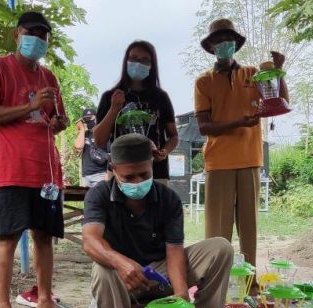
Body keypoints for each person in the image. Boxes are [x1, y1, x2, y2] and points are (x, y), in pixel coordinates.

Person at [82, 134, 233, 308]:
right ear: (114, 169)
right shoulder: (99, 195)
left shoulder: (168, 198)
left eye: (144, 174)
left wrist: (181, 291)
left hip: (162, 275)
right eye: (128, 177)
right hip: (121, 281)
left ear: (152, 164)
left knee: (221, 248)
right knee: (103, 269)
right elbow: (90, 240)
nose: (137, 182)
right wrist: (121, 262)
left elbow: (174, 250)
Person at [0, 11, 78, 308]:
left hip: (46, 171)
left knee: (44, 237)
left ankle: (45, 300)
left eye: (43, 36)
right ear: (17, 34)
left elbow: (53, 122)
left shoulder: (49, 78)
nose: (38, 40)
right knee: (7, 237)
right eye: (32, 33)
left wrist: (59, 123)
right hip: (10, 169)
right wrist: (30, 107)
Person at [194, 18, 288, 270]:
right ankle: (214, 283)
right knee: (217, 233)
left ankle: (250, 284)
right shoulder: (204, 81)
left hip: (250, 161)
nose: (225, 43)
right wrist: (238, 123)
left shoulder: (253, 75)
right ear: (211, 46)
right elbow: (203, 126)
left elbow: (278, 104)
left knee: (249, 229)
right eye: (219, 40)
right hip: (219, 163)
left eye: (229, 39)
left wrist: (278, 71)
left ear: (236, 44)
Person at [93, 41, 178, 185]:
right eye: (133, 58)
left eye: (145, 60)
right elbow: (99, 140)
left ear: (152, 65)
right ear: (126, 61)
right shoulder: (110, 96)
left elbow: (173, 136)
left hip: (155, 174)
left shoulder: (161, 97)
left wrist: (163, 153)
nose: (138, 63)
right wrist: (114, 109)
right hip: (121, 173)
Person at [75, 108, 107, 187]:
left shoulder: (103, 132)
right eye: (85, 119)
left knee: (100, 198)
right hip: (86, 175)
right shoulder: (84, 134)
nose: (88, 120)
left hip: (100, 174)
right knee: (87, 199)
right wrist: (82, 129)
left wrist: (108, 175)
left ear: (96, 118)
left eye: (90, 117)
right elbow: (78, 147)